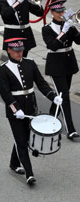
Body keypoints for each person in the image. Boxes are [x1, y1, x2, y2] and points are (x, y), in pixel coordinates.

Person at [0, 38, 63, 185]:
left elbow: (41, 83)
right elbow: (5, 94)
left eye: (21, 50)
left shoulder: (30, 64)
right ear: (9, 50)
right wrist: (15, 109)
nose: (19, 53)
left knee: (23, 138)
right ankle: (29, 173)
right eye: (16, 51)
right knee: (21, 141)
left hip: (31, 109)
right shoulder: (3, 69)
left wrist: (53, 97)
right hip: (16, 112)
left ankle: (14, 163)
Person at [42, 0, 80, 140]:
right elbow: (53, 46)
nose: (61, 14)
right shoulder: (47, 28)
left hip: (68, 63)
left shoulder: (68, 24)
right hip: (55, 65)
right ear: (52, 13)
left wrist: (75, 28)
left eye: (62, 11)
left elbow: (78, 41)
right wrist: (64, 31)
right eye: (58, 12)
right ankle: (70, 129)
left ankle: (51, 115)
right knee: (64, 96)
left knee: (61, 94)